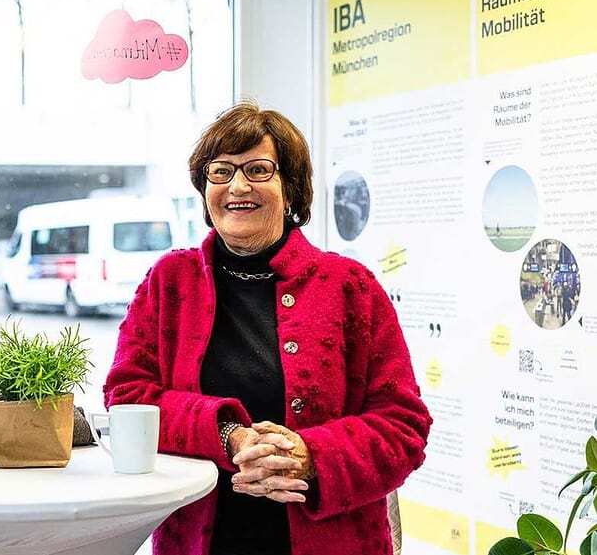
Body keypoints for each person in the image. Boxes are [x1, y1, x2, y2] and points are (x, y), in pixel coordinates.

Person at [103, 100, 432, 555]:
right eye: (220, 171)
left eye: (258, 170)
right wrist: (227, 434)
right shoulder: (169, 282)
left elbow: (403, 426)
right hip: (201, 539)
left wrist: (311, 457)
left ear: (291, 190)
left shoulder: (350, 286)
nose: (237, 185)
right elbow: (127, 397)